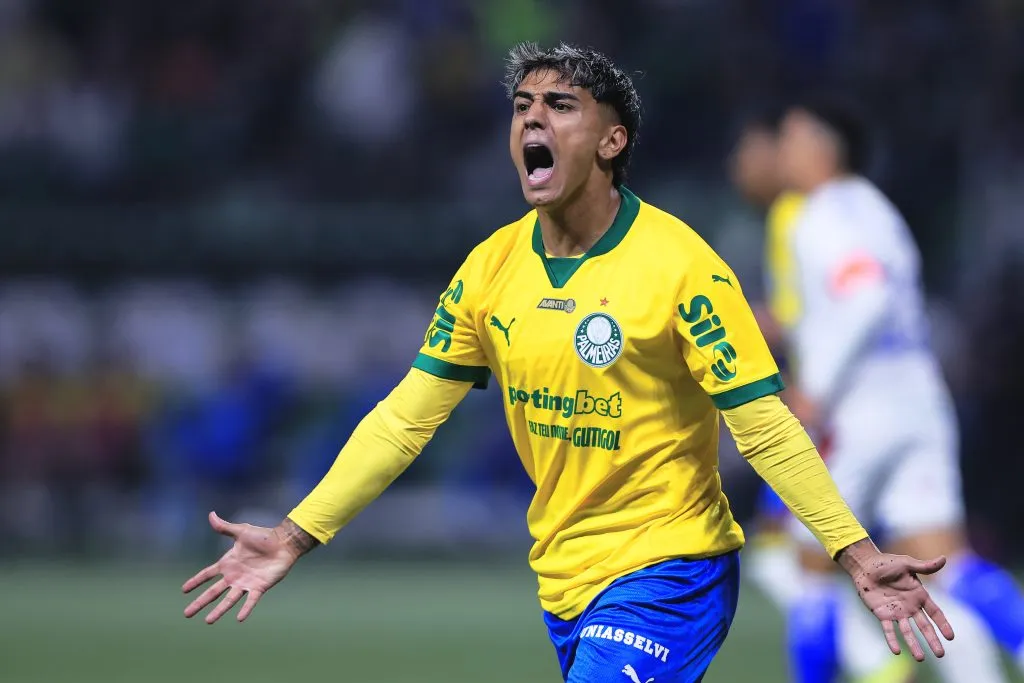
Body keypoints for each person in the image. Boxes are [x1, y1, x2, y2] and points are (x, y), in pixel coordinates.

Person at [183, 44, 954, 683]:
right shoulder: (490, 270)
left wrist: (853, 552)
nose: (532, 119)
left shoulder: (683, 266)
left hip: (672, 569)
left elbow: (762, 425)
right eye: (522, 106)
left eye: (560, 106)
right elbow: (403, 420)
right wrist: (295, 532)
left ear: (612, 141)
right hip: (564, 578)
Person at [775, 95, 1024, 683]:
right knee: (949, 561)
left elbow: (865, 296)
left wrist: (817, 389)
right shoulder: (878, 210)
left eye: (790, 139)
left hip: (862, 407)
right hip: (917, 398)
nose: (783, 152)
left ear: (819, 148)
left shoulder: (820, 215)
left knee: (809, 563)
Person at [731, 111, 916, 683]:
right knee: (800, 555)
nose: (739, 165)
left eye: (752, 150)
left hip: (833, 406)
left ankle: (874, 665)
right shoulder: (821, 212)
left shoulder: (799, 216)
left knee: (797, 559)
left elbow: (795, 318)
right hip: (873, 400)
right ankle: (876, 662)